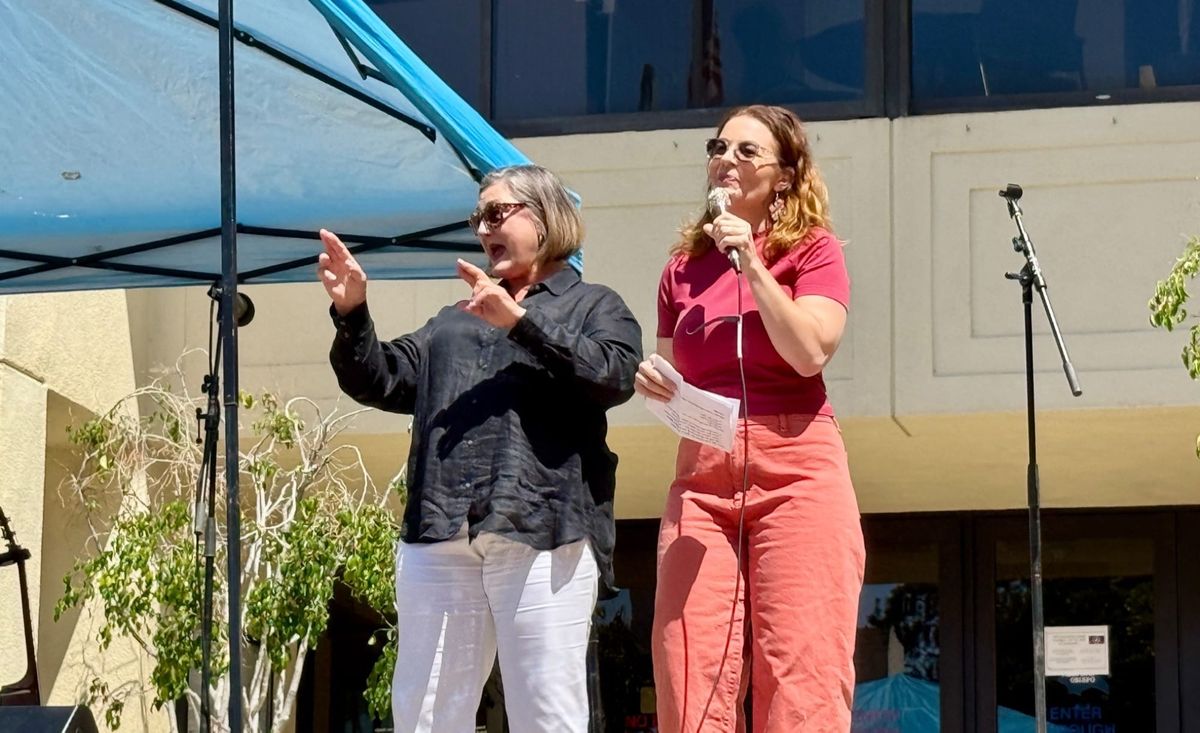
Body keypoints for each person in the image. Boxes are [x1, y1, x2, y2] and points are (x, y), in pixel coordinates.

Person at [318, 164, 643, 733]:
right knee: (424, 714)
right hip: (440, 533)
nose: (483, 228)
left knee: (546, 715)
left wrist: (520, 323)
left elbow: (615, 375)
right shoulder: (453, 321)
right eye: (478, 218)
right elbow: (382, 377)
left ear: (545, 217)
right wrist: (353, 314)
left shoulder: (594, 305)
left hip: (542, 528)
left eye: (497, 213)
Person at [635, 105, 865, 732]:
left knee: (801, 674)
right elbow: (676, 375)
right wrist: (658, 385)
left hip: (797, 472)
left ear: (784, 176)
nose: (726, 160)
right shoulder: (681, 269)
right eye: (719, 147)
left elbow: (810, 351)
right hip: (703, 477)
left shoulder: (813, 251)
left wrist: (754, 265)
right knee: (688, 669)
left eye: (746, 151)